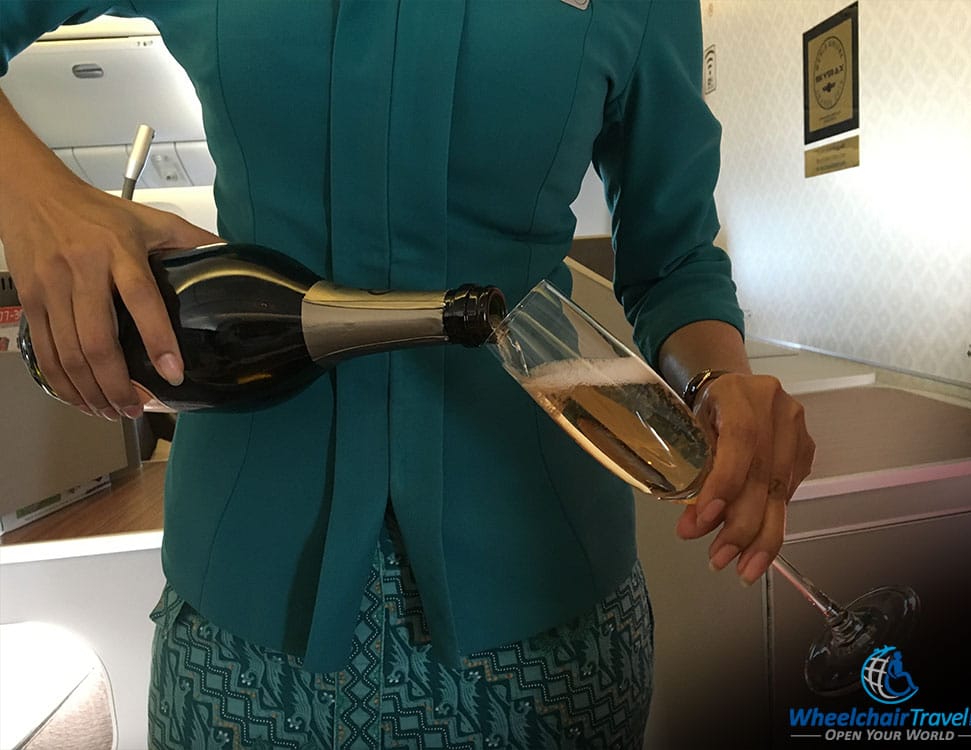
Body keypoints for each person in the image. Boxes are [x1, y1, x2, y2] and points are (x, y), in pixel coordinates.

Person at [0, 1, 815, 747]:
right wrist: (38, 200)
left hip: (545, 632)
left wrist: (718, 382)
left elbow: (673, 259)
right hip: (241, 650)